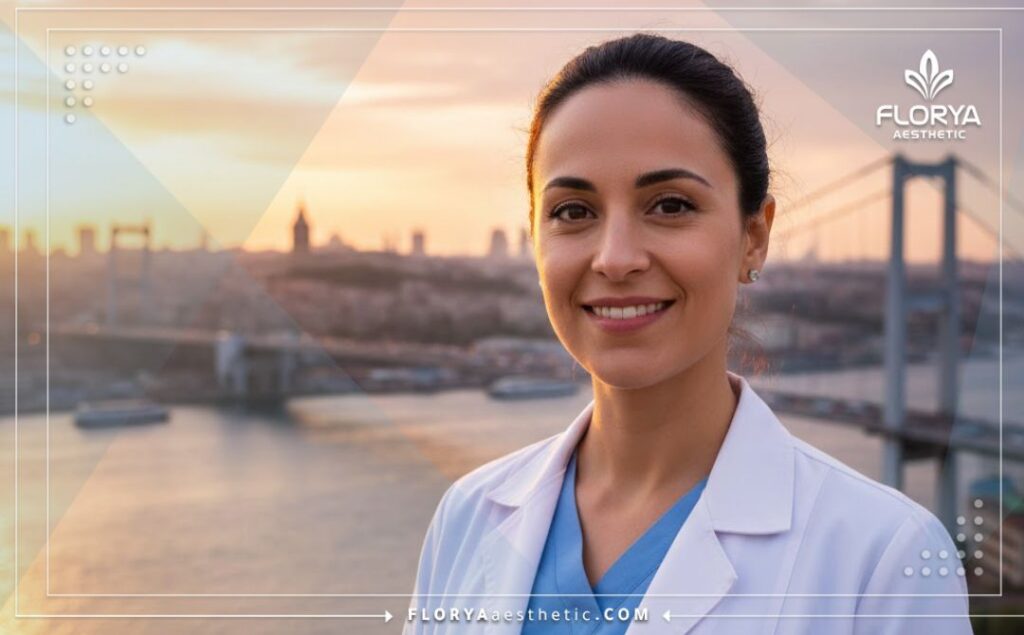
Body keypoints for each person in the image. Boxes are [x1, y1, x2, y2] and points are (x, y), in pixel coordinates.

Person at [403, 33, 972, 635]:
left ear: (754, 236)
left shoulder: (883, 561)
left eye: (670, 205)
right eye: (573, 211)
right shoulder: (466, 518)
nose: (615, 258)